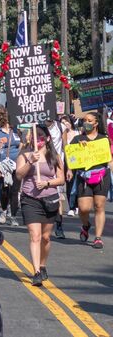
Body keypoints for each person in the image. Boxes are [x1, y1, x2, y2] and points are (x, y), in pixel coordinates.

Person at [16, 125, 65, 286]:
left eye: (41, 137)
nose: (38, 141)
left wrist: (47, 183)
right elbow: (18, 175)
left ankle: (43, 265)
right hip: (30, 199)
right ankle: (36, 271)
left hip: (49, 199)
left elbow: (61, 179)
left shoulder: (54, 156)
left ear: (48, 139)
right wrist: (30, 161)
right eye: (35, 137)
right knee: (35, 236)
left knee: (45, 237)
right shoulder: (25, 155)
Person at [67, 112, 112, 249]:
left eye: (89, 120)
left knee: (99, 206)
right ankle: (86, 225)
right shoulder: (77, 139)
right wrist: (70, 170)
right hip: (83, 177)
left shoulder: (103, 139)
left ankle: (98, 238)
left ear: (96, 123)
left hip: (101, 175)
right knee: (84, 208)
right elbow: (71, 157)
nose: (86, 122)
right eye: (85, 120)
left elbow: (109, 158)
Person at [0, 108, 22, 226]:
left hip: (16, 165)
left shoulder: (17, 132)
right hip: (3, 166)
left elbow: (21, 146)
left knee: (15, 191)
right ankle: (3, 211)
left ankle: (13, 216)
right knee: (4, 190)